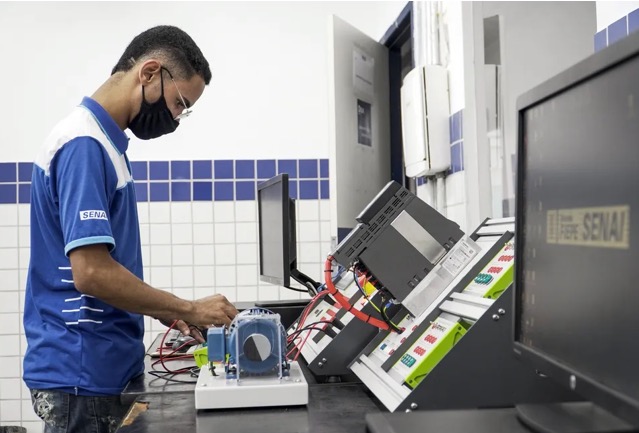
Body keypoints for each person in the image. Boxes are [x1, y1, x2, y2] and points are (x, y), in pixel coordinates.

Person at [23, 25, 239, 433]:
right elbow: (91, 273)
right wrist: (187, 308)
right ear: (149, 72)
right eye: (179, 103)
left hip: (101, 369)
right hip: (82, 374)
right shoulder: (83, 145)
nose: (176, 118)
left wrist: (162, 311)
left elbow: (107, 265)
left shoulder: (106, 145)